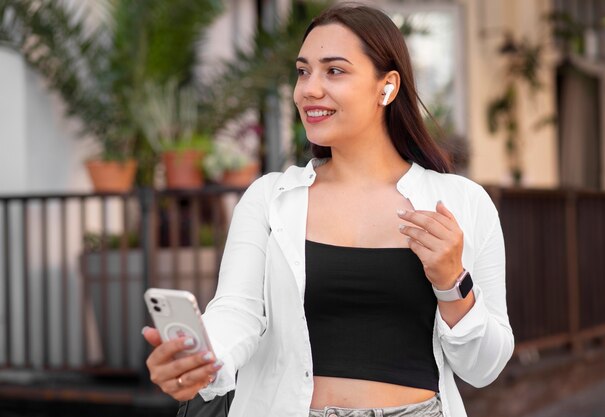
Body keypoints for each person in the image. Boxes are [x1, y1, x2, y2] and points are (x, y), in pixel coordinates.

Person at [143, 4, 514, 417]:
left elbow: (485, 367)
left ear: (386, 87)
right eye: (303, 71)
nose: (309, 89)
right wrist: (200, 360)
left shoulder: (462, 203)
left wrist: (452, 283)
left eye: (333, 71)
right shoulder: (270, 199)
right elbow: (237, 312)